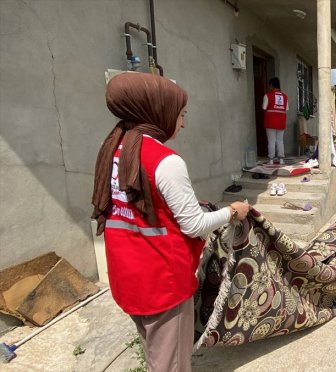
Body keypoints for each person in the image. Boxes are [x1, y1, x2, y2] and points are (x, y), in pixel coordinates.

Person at [91, 72, 250, 372]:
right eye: (181, 114)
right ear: (157, 111)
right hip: (163, 283)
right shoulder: (166, 161)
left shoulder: (114, 150)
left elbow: (141, 206)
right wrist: (233, 211)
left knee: (156, 356)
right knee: (171, 365)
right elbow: (193, 225)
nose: (183, 123)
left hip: (128, 276)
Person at [262, 77, 288, 165]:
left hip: (270, 121)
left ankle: (271, 159)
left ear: (271, 85)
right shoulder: (285, 96)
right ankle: (281, 159)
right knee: (280, 140)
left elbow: (264, 107)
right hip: (281, 121)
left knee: (271, 140)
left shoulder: (267, 95)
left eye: (270, 85)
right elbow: (286, 108)